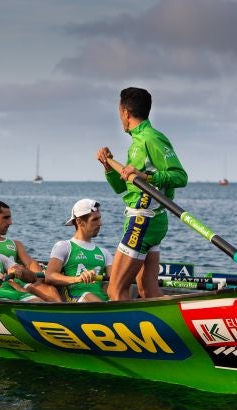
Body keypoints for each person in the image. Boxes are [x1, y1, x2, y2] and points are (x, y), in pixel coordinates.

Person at [96, 86, 188, 300]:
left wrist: (147, 177)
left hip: (144, 221)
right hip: (142, 220)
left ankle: (120, 333)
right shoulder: (136, 143)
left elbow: (180, 176)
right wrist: (108, 167)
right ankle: (167, 330)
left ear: (125, 112)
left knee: (115, 291)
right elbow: (122, 188)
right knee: (148, 290)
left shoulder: (151, 138)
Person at [0, 200, 61, 301]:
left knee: (50, 290)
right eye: (5, 218)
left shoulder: (15, 244)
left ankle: (63, 314)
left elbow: (30, 263)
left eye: (10, 218)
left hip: (22, 282)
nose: (10, 222)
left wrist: (38, 280)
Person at [45, 199, 114, 302]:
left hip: (100, 299)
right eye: (95, 220)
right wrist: (78, 279)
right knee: (89, 296)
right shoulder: (63, 246)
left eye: (99, 218)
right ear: (79, 222)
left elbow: (114, 281)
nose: (100, 223)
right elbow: (49, 276)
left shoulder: (105, 253)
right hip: (77, 297)